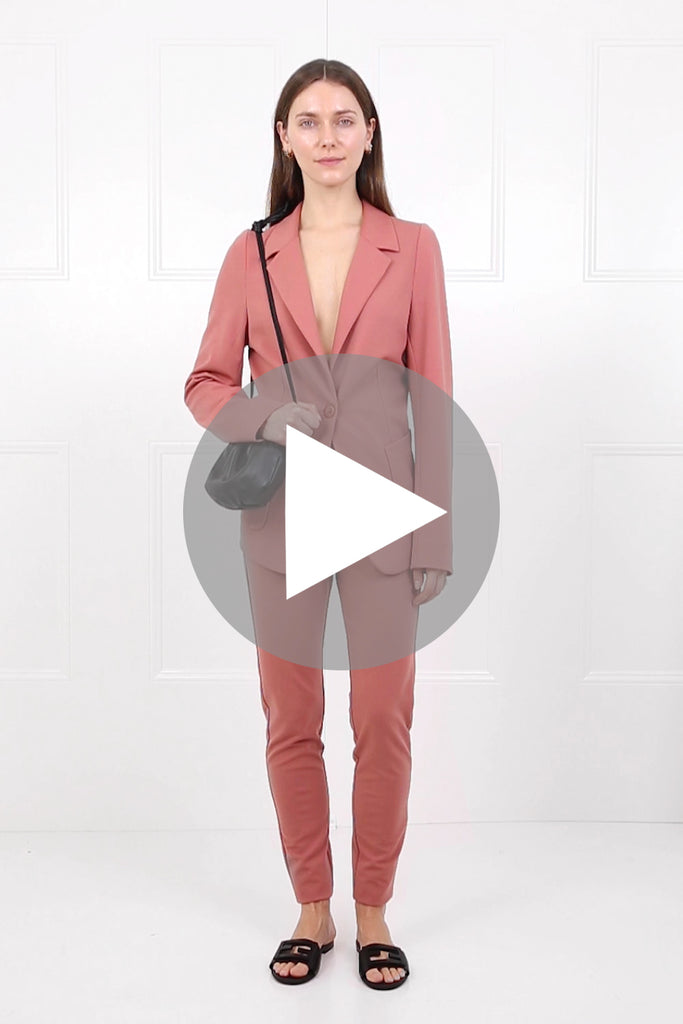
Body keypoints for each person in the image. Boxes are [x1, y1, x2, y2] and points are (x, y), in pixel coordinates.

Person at [184, 58, 453, 989]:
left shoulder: (412, 247)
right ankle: (312, 907)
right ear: (284, 138)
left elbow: (434, 397)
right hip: (284, 521)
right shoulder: (250, 252)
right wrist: (264, 418)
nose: (328, 135)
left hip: (384, 520)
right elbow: (205, 381)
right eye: (309, 120)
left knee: (382, 719)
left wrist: (435, 534)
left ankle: (373, 909)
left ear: (369, 134)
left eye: (345, 119)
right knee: (291, 718)